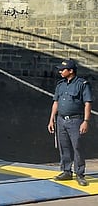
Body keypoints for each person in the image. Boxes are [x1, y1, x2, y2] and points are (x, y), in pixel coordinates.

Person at [48, 58, 92, 186]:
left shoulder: (82, 84)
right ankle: (66, 171)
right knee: (64, 146)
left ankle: (80, 173)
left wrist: (86, 121)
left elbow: (87, 103)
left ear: (71, 71)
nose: (60, 72)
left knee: (77, 146)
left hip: (75, 120)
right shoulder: (60, 85)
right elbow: (55, 102)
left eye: (63, 70)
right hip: (61, 120)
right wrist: (51, 119)